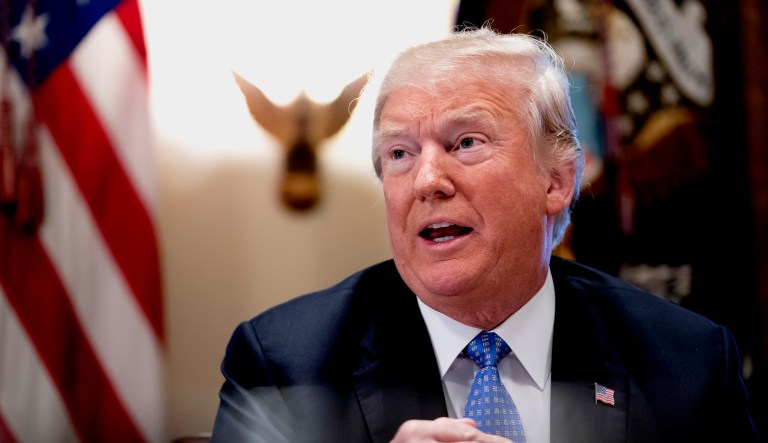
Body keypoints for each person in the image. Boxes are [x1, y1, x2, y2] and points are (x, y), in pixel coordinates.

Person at [210, 27, 760, 442]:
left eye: (465, 143)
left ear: (557, 181)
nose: (426, 180)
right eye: (399, 153)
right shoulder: (283, 366)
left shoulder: (687, 362)